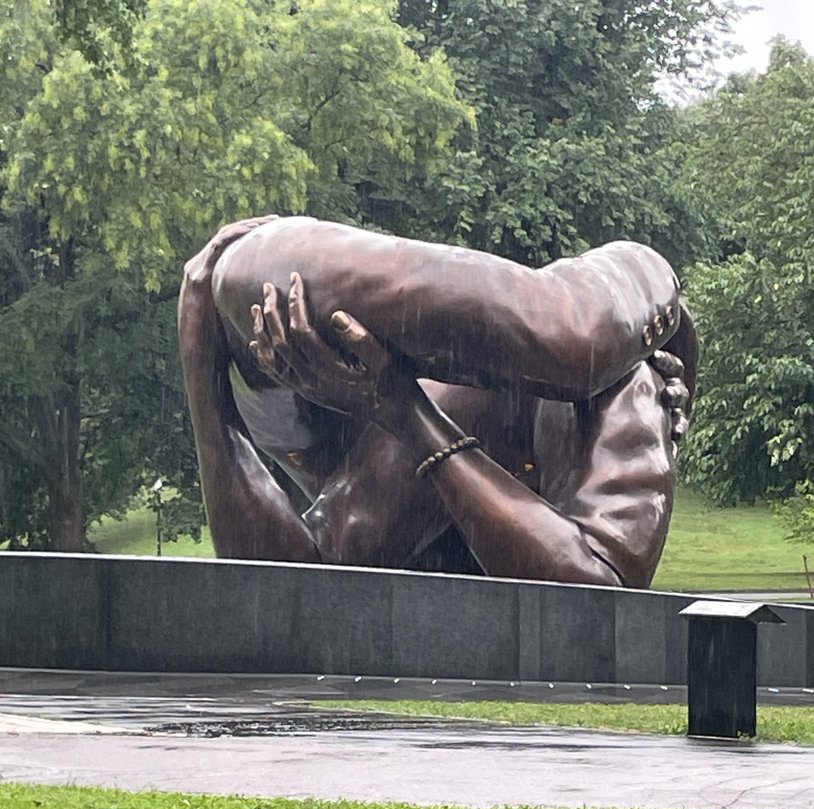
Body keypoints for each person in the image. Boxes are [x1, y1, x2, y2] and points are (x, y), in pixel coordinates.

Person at [178, 215, 697, 587]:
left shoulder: (627, 391)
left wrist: (407, 414)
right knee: (571, 340)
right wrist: (203, 369)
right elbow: (286, 589)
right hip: (607, 305)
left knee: (572, 341)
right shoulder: (451, 411)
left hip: (611, 303)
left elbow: (596, 587)